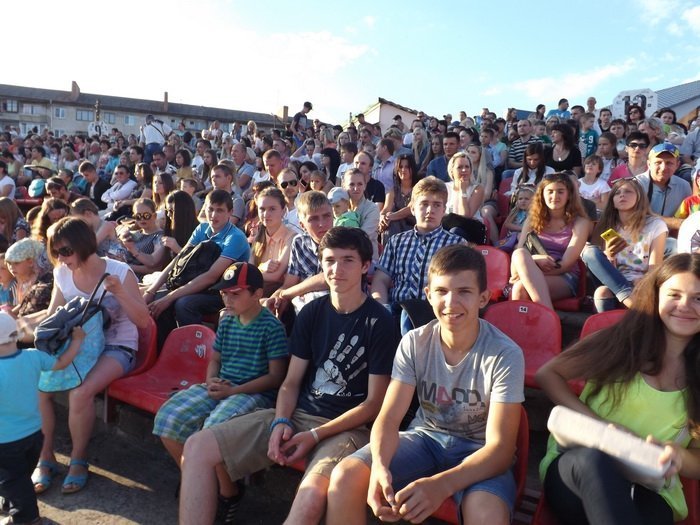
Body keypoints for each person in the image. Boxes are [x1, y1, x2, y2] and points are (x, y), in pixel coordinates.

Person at [179, 227, 398, 524]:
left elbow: (373, 405)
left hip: (347, 428)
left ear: (365, 266)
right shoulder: (311, 312)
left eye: (347, 260)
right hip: (298, 415)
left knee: (309, 498)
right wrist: (281, 421)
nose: (337, 269)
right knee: (197, 447)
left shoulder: (380, 321)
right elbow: (290, 382)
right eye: (330, 260)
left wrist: (315, 434)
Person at [327, 244, 525, 525]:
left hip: (479, 451)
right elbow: (389, 418)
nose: (451, 302)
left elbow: (501, 450)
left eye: (464, 292)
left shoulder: (505, 354)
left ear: (483, 298)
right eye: (442, 291)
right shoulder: (415, 342)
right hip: (426, 438)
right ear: (429, 295)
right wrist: (380, 467)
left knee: (486, 515)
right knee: (345, 477)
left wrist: (442, 485)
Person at [536, 253, 700, 525]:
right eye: (674, 295)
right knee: (595, 461)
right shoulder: (621, 341)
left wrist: (678, 455)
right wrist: (602, 428)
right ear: (656, 296)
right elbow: (548, 374)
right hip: (578, 466)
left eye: (698, 298)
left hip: (649, 486)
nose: (684, 306)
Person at [37, 217, 149, 494]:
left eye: (66, 251)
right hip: (80, 346)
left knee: (81, 393)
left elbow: (143, 321)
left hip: (117, 346)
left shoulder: (119, 271)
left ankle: (78, 459)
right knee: (37, 386)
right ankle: (45, 456)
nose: (62, 259)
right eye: (56, 252)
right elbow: (54, 315)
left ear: (83, 244)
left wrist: (120, 292)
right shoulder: (62, 273)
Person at [153, 262, 288, 469]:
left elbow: (275, 377)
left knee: (213, 432)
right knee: (167, 417)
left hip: (253, 393)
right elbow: (215, 359)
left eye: (235, 294)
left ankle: (225, 486)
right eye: (224, 293)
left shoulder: (272, 327)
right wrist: (210, 381)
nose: (227, 300)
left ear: (257, 294)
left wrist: (233, 391)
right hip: (222, 385)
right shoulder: (226, 321)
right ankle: (195, 477)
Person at [0, 312, 84, 525]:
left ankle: (27, 518)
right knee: (19, 476)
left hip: (5, 442)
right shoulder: (33, 357)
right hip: (35, 435)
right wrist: (77, 340)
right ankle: (12, 500)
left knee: (14, 480)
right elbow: (62, 362)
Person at [143, 190, 250, 347]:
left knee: (184, 304)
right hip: (199, 286)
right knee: (157, 302)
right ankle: (168, 350)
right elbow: (179, 260)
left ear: (230, 212)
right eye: (210, 209)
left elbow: (211, 276)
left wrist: (169, 297)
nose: (213, 215)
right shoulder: (202, 229)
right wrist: (151, 291)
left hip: (225, 292)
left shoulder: (235, 237)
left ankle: (196, 349)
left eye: (220, 210)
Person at [371, 177, 463, 334]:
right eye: (424, 204)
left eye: (436, 205)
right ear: (412, 208)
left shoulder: (456, 245)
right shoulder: (396, 241)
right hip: (397, 312)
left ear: (444, 210)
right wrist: (382, 308)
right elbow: (380, 280)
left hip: (436, 316)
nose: (430, 210)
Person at [582, 178, 667, 312]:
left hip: (641, 281)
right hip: (613, 279)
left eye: (628, 191)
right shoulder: (606, 224)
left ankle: (628, 302)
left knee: (602, 293)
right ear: (612, 201)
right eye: (617, 193)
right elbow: (601, 268)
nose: (622, 195)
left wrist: (644, 282)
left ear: (639, 197)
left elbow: (655, 267)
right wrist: (609, 255)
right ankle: (629, 299)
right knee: (589, 252)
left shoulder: (656, 225)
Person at [510, 173, 592, 309]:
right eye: (550, 191)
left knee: (520, 288)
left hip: (564, 276)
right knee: (519, 254)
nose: (555, 196)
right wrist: (535, 260)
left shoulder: (581, 222)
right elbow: (519, 256)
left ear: (569, 195)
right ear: (542, 195)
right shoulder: (531, 220)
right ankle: (548, 317)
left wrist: (529, 274)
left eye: (560, 192)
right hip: (531, 270)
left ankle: (548, 316)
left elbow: (565, 265)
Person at [249, 187, 296, 296]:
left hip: (278, 293)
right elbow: (250, 269)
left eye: (272, 209)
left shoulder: (292, 237)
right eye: (262, 209)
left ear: (283, 211)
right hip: (258, 288)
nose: (266, 214)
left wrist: (255, 272)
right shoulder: (259, 237)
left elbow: (275, 276)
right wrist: (262, 267)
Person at [634, 143, 690, 232]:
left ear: (677, 165)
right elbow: (633, 217)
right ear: (649, 164)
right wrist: (675, 223)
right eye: (658, 162)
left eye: (669, 163)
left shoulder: (684, 186)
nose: (663, 168)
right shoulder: (636, 184)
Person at [379, 154, 418, 241]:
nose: (403, 170)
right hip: (395, 225)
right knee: (390, 224)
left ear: (412, 168)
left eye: (407, 167)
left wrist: (390, 217)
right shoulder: (393, 190)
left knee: (392, 222)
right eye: (400, 167)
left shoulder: (418, 188)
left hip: (413, 225)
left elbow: (410, 209)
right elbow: (386, 209)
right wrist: (382, 218)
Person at [499, 186, 534, 253]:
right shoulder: (516, 211)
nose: (523, 201)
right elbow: (507, 224)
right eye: (520, 199)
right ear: (517, 201)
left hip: (527, 238)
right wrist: (522, 229)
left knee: (518, 244)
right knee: (519, 236)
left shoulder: (534, 213)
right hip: (513, 237)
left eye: (526, 199)